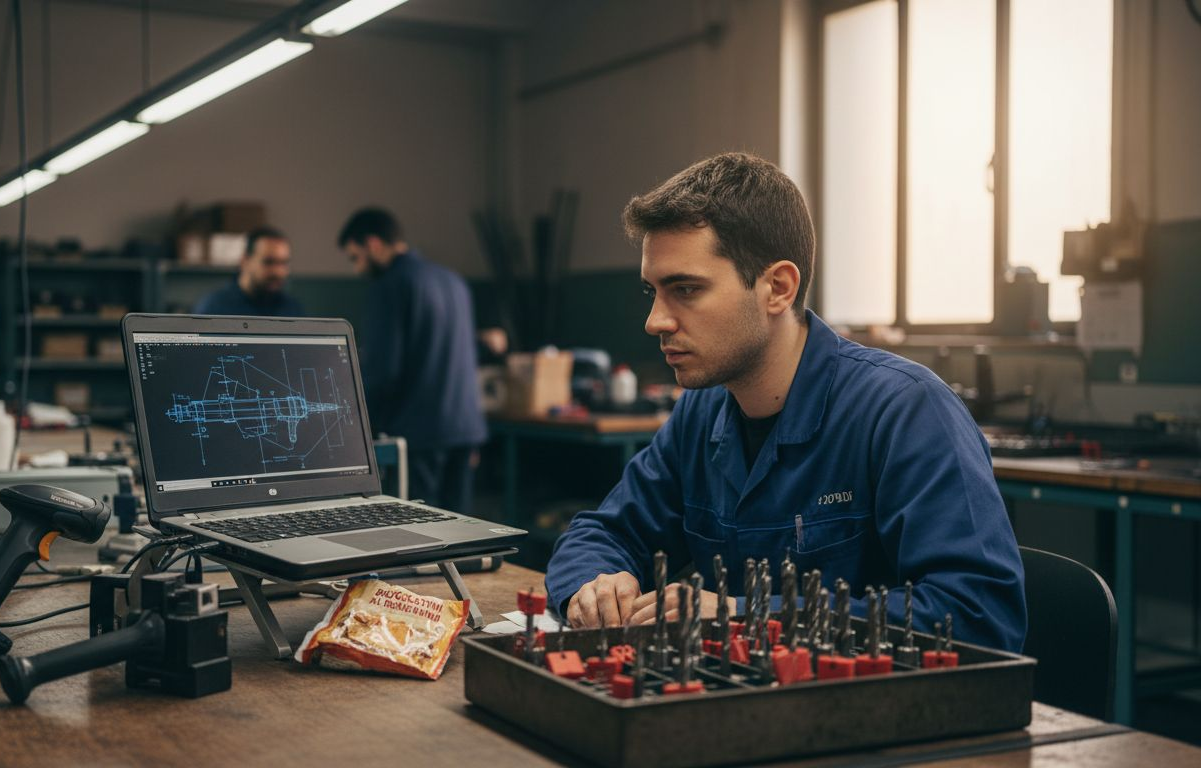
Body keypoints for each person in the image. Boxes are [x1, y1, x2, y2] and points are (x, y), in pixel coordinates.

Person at [544, 152, 1026, 652]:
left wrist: (748, 616)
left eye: (685, 289)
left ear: (777, 288)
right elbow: (603, 533)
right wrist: (594, 586)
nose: (656, 321)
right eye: (653, 291)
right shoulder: (702, 411)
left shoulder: (905, 412)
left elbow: (978, 615)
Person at [338, 207, 487, 515]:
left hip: (418, 433)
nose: (357, 270)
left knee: (422, 537)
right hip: (465, 426)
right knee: (461, 535)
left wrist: (363, 432)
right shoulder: (453, 281)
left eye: (356, 257)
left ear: (374, 243)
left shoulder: (389, 285)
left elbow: (383, 370)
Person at [192, 226, 303, 316]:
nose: (277, 272)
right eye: (268, 262)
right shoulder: (214, 307)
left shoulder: (292, 309)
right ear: (245, 261)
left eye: (283, 263)